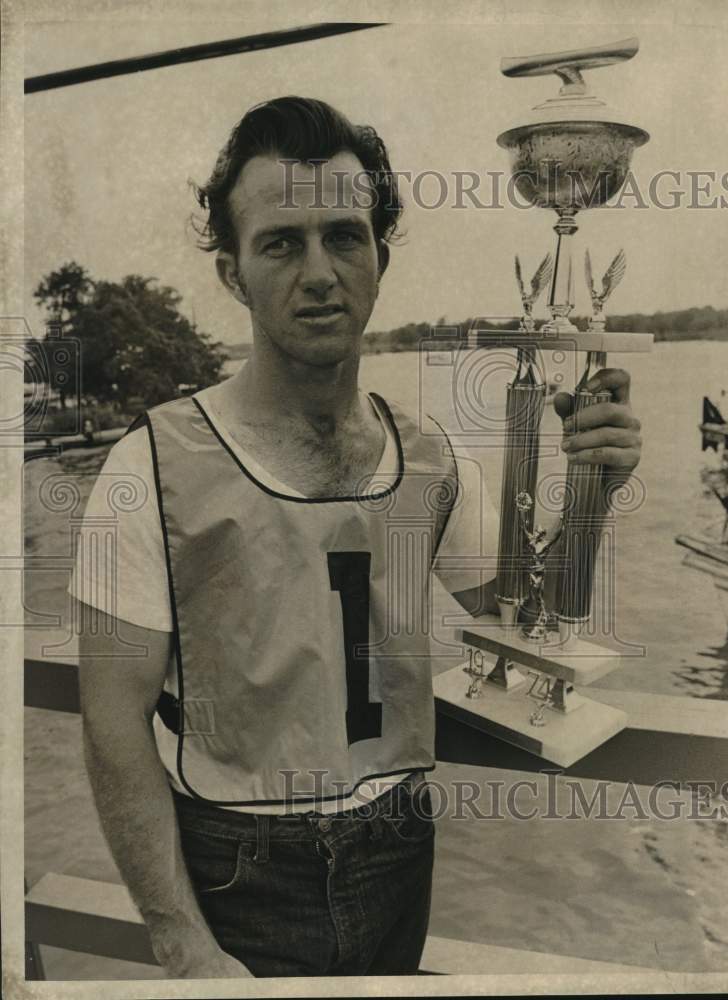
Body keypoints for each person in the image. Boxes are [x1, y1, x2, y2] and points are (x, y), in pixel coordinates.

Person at [71, 97, 642, 979]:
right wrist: (181, 942)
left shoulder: (428, 462)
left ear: (379, 254)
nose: (318, 272)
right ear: (231, 272)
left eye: (344, 236)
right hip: (238, 870)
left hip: (399, 847)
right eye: (279, 243)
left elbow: (521, 618)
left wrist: (595, 489)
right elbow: (112, 724)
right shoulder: (143, 469)